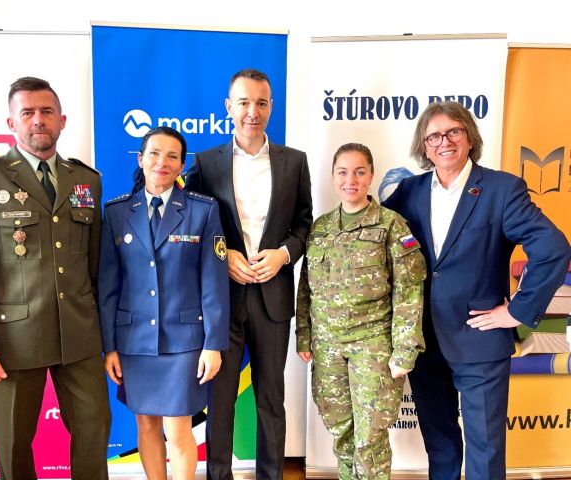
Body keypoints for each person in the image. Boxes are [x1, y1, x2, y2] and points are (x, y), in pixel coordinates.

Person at [382, 101, 571, 480]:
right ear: (424, 146)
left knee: (485, 449)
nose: (444, 142)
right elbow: (375, 240)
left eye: (454, 131)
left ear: (469, 138)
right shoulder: (408, 192)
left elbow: (553, 249)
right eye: (434, 136)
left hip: (480, 339)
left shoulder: (502, 190)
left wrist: (517, 311)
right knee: (440, 447)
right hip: (423, 340)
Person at [0, 76, 111, 479]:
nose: (39, 120)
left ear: (62, 120)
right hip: (14, 339)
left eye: (47, 111)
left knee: (94, 432)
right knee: (14, 443)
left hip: (79, 335)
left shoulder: (86, 180)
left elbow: (96, 264)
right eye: (28, 113)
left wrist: (107, 336)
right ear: (11, 122)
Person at [184, 68, 312, 480]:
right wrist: (224, 257)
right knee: (220, 400)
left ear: (271, 106)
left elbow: (304, 224)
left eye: (260, 103)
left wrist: (284, 255)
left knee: (270, 400)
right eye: (243, 103)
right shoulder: (205, 163)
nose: (252, 112)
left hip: (273, 299)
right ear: (228, 107)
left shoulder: (294, 162)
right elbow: (192, 226)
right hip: (221, 299)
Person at [99, 126, 230, 480]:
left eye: (172, 156)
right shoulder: (117, 212)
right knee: (146, 426)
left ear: (182, 165)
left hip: (184, 341)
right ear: (141, 159)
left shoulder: (202, 211)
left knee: (177, 428)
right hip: (134, 342)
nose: (162, 162)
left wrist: (214, 344)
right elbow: (108, 286)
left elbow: (214, 282)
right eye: (154, 154)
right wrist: (109, 346)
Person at [296, 143, 426, 479]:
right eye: (342, 172)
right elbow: (306, 287)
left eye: (359, 172)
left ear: (370, 176)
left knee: (370, 439)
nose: (350, 180)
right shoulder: (321, 228)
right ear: (332, 177)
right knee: (342, 433)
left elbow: (409, 291)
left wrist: (405, 350)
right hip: (327, 349)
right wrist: (304, 337)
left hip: (373, 346)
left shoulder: (391, 226)